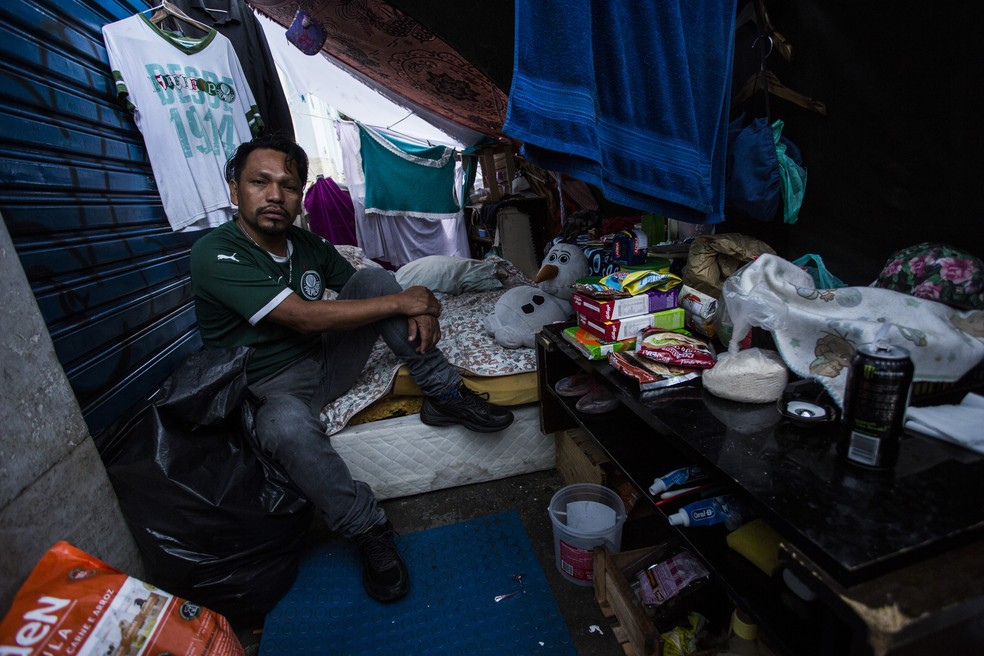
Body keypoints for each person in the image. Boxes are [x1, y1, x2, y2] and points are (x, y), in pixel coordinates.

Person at [189, 135, 514, 603]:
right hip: (272, 388)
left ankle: (445, 395)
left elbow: (372, 288)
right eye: (260, 182)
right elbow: (300, 314)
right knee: (282, 426)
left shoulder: (307, 243)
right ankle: (368, 528)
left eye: (288, 185)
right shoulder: (215, 253)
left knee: (378, 279)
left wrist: (417, 307)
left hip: (324, 361)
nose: (275, 195)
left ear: (301, 195)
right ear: (234, 189)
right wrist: (405, 300)